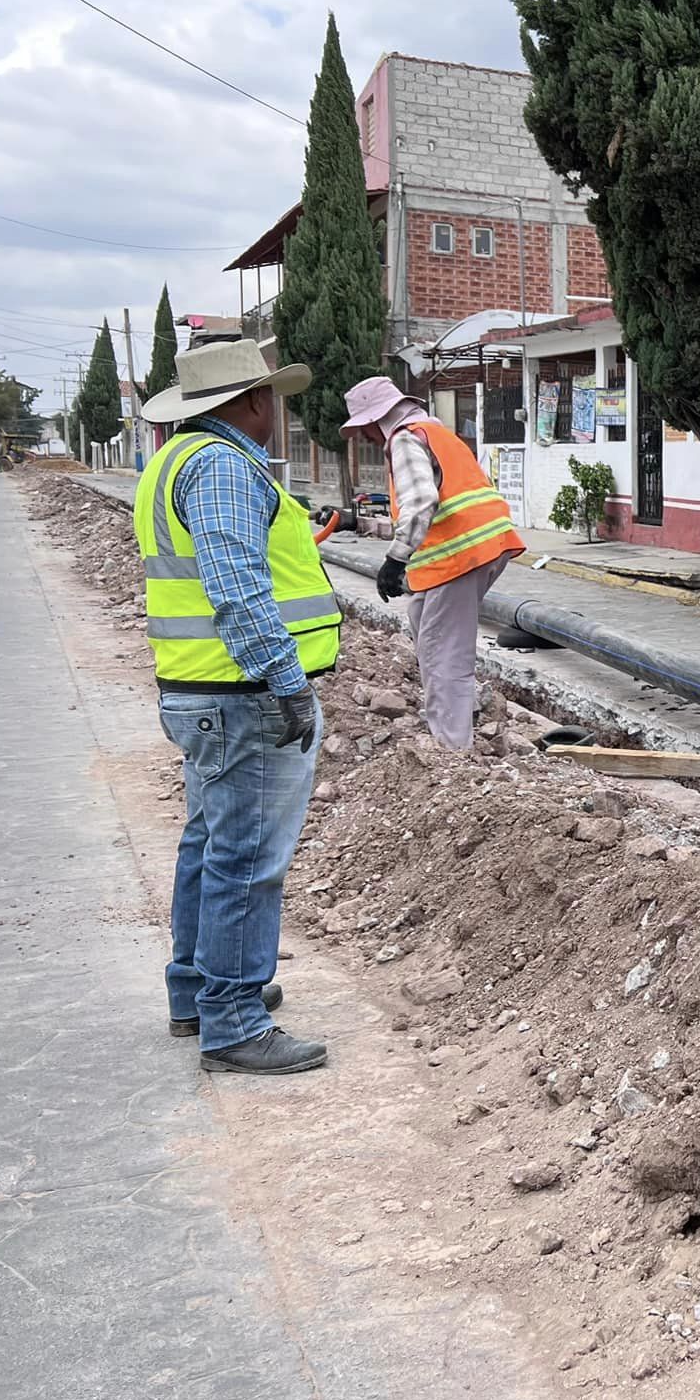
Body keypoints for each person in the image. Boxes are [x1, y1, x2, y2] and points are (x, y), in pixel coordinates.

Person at [136, 340, 341, 1074]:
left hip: (201, 693)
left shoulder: (173, 460)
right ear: (252, 402)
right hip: (242, 697)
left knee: (210, 845)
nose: (276, 412)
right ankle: (232, 1019)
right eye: (272, 400)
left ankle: (198, 992)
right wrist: (288, 684)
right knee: (246, 859)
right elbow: (240, 592)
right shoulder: (223, 467)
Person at [340, 376, 525, 750]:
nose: (364, 438)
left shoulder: (405, 438)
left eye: (364, 429)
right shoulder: (434, 432)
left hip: (460, 556)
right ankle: (456, 719)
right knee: (424, 621)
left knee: (444, 654)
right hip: (485, 545)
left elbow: (422, 499)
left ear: (378, 419)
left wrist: (395, 559)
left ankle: (452, 750)